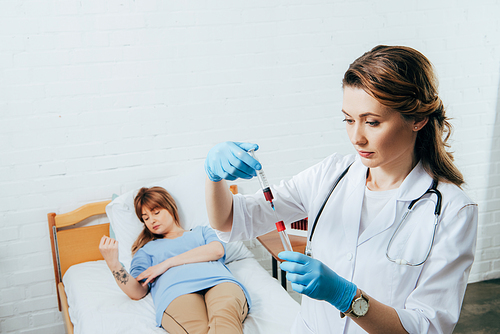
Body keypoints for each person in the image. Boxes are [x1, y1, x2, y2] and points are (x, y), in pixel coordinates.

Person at [203, 45, 478, 334]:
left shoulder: (452, 211)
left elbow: (428, 328)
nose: (356, 137)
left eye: (372, 122)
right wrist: (213, 177)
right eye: (348, 120)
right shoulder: (331, 175)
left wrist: (347, 297)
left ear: (417, 119)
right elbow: (231, 221)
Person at [99, 186, 250, 334]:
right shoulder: (145, 251)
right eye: (146, 218)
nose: (151, 220)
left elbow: (217, 250)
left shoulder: (202, 231)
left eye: (156, 212)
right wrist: (114, 264)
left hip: (219, 282)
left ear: (170, 208)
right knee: (198, 330)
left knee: (224, 318)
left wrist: (166, 264)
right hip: (176, 293)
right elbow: (137, 291)